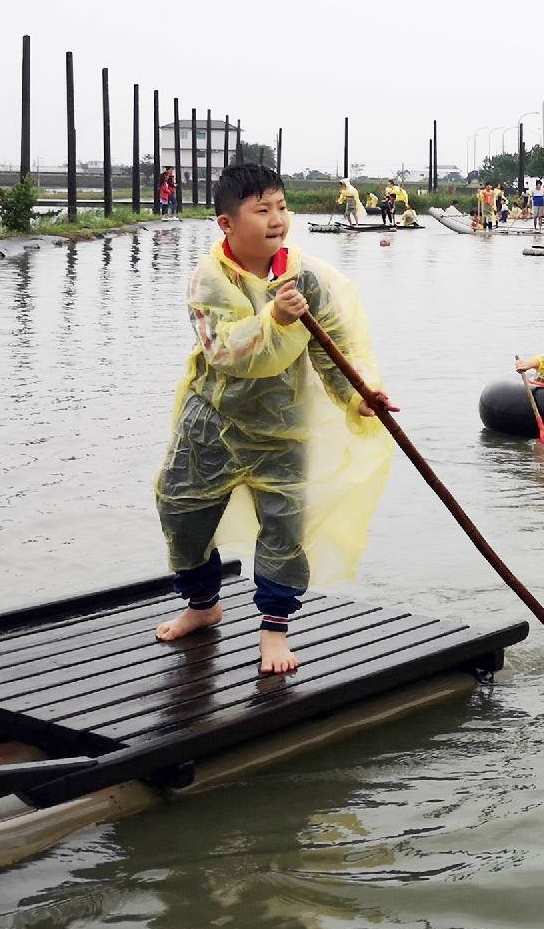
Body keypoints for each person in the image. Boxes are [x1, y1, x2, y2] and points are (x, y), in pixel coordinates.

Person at [153, 161, 396, 675]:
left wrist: (361, 396)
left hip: (281, 425)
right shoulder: (209, 278)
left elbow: (335, 351)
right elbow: (225, 352)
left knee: (284, 526)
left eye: (281, 207)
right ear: (227, 223)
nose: (276, 219)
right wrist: (275, 318)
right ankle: (203, 605)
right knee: (180, 510)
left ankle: (274, 630)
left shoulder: (304, 276)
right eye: (261, 210)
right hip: (212, 421)